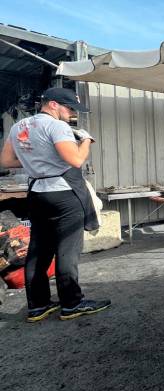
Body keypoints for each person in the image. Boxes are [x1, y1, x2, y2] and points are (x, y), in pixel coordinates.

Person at [1, 87, 112, 322]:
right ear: (53, 104)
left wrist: (37, 161)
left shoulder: (19, 127)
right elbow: (76, 159)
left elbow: (6, 160)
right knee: (67, 250)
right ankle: (72, 303)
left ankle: (37, 305)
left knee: (38, 251)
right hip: (62, 194)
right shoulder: (57, 126)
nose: (71, 113)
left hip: (37, 194)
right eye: (69, 108)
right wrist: (86, 141)